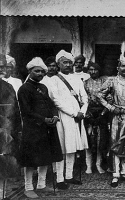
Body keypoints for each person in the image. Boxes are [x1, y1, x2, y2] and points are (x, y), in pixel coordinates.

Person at [17, 57, 63, 198]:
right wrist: (44, 119)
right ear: (30, 71)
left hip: (47, 129)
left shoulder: (43, 87)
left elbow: (51, 105)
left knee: (45, 157)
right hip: (33, 129)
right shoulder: (24, 89)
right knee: (31, 160)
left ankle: (41, 185)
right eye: (37, 71)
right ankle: (28, 187)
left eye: (43, 72)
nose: (40, 74)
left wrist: (55, 116)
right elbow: (26, 111)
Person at [97, 42, 125, 187]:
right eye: (123, 66)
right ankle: (115, 173)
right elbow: (99, 95)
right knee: (116, 145)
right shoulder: (112, 81)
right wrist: (110, 107)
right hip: (116, 117)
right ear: (118, 68)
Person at [49, 50, 89, 189]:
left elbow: (84, 98)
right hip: (63, 117)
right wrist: (73, 113)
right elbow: (56, 101)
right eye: (64, 62)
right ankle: (60, 178)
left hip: (77, 118)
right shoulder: (53, 80)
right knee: (62, 148)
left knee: (72, 148)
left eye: (69, 62)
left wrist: (82, 112)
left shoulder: (77, 79)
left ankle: (69, 176)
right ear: (59, 64)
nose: (67, 65)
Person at [0, 54, 22, 199]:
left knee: (3, 163)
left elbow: (14, 111)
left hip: (4, 131)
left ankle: (1, 193)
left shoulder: (7, 87)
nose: (1, 69)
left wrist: (17, 129)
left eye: (2, 66)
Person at [84, 61, 109, 174]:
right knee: (88, 140)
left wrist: (103, 113)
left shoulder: (105, 81)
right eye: (91, 69)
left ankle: (98, 164)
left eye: (95, 69)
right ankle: (88, 165)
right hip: (88, 114)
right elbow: (82, 99)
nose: (93, 72)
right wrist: (87, 113)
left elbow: (109, 98)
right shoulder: (85, 83)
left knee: (100, 141)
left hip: (101, 113)